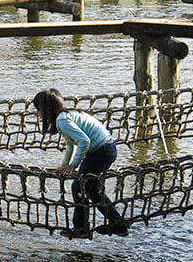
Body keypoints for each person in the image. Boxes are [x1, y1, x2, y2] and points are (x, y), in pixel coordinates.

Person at [32, 88, 127, 240]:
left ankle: (81, 228)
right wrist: (64, 165)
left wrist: (73, 165)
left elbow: (84, 141)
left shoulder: (62, 121)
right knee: (92, 189)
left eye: (39, 109)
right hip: (107, 148)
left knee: (79, 186)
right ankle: (119, 224)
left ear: (48, 110)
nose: (38, 113)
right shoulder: (66, 116)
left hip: (100, 151)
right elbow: (71, 145)